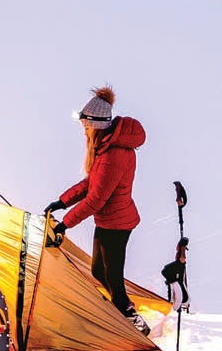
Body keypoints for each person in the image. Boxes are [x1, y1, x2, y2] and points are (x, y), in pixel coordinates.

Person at [48, 85, 148, 330]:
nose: (84, 132)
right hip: (107, 221)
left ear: (97, 124)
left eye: (85, 126)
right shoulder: (104, 148)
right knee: (98, 272)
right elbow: (90, 183)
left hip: (117, 224)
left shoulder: (114, 154)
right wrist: (62, 201)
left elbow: (96, 199)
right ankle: (120, 309)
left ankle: (133, 321)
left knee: (112, 276)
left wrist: (64, 224)